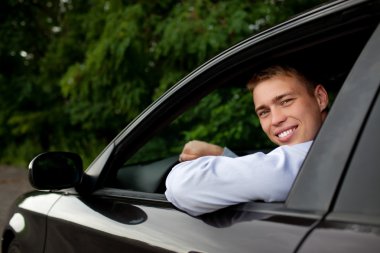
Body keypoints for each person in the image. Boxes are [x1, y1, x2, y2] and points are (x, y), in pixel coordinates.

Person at [165, 65, 329, 216]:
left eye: (286, 101)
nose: (275, 120)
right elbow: (272, 176)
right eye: (264, 112)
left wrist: (178, 172)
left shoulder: (314, 160)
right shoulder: (339, 150)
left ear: (320, 98)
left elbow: (184, 186)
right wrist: (222, 154)